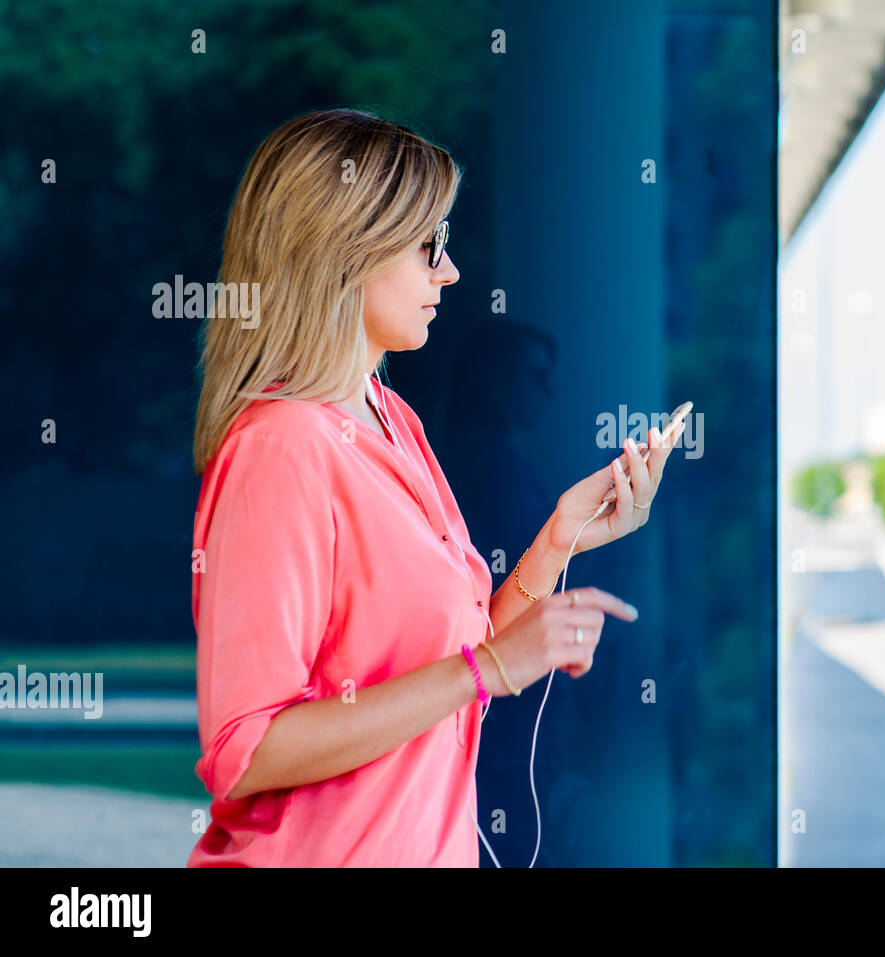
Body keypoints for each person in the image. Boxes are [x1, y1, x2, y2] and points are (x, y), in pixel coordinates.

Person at [186, 108, 684, 866]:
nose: (448, 271)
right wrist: (487, 670)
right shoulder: (281, 449)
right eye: (429, 246)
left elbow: (465, 658)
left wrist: (559, 539)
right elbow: (246, 750)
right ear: (345, 251)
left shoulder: (394, 419)